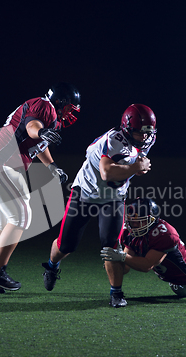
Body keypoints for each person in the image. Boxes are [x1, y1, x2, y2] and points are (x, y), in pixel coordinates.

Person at [0, 83, 81, 294]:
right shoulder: (44, 106)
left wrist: (52, 166)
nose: (72, 111)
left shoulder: (51, 118)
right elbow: (32, 127)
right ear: (61, 102)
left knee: (3, 223)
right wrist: (42, 131)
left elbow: (39, 144)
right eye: (70, 106)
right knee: (21, 217)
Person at [41, 104, 157, 295]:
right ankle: (52, 266)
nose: (144, 137)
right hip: (86, 193)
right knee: (66, 244)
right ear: (128, 129)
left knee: (111, 246)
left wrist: (138, 167)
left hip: (113, 198)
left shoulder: (146, 138)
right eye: (139, 132)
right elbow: (107, 172)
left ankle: (116, 292)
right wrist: (137, 168)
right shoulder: (114, 141)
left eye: (148, 132)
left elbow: (133, 162)